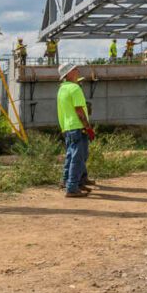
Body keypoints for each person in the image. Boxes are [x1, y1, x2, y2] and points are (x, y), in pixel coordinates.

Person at [57, 63, 95, 197]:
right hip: (77, 127)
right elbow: (79, 110)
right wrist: (88, 127)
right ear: (68, 74)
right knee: (78, 158)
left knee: (71, 156)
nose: (77, 70)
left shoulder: (62, 89)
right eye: (74, 69)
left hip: (68, 127)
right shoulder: (74, 88)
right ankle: (72, 188)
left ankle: (70, 182)